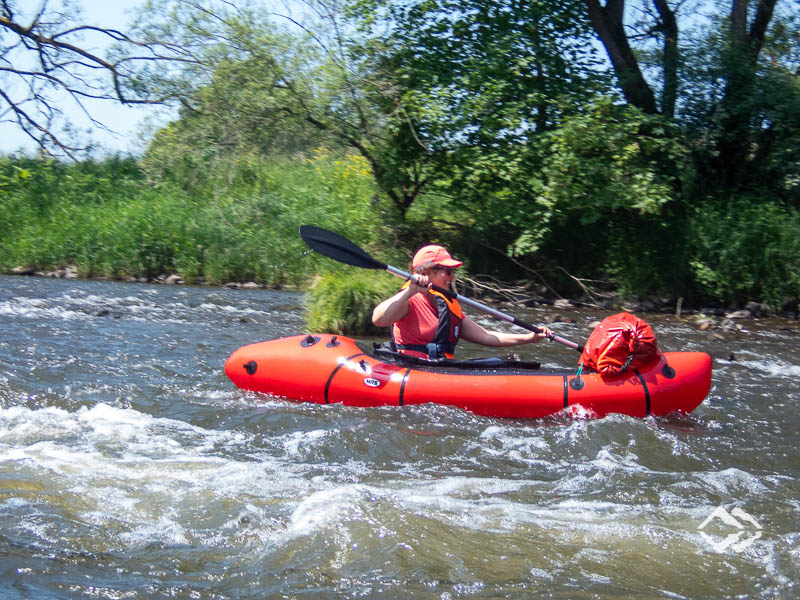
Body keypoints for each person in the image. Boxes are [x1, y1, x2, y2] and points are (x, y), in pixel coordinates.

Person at [372, 244, 554, 359]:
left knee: (505, 362)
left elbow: (486, 336)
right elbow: (378, 319)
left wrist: (529, 338)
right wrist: (410, 291)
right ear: (426, 273)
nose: (452, 277)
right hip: (411, 369)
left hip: (440, 370)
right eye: (447, 271)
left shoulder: (447, 304)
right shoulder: (409, 299)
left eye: (453, 272)